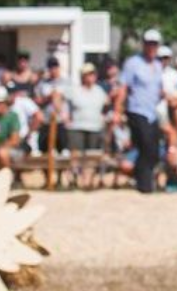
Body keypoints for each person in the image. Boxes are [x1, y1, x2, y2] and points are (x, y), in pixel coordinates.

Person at [114, 29, 164, 193]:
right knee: (146, 147)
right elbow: (123, 88)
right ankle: (144, 185)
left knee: (154, 151)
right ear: (143, 44)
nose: (152, 47)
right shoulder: (133, 63)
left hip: (152, 112)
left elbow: (157, 89)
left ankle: (143, 180)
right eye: (149, 43)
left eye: (154, 44)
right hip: (136, 111)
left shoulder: (157, 65)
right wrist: (117, 111)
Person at [63, 62, 109, 189]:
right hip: (76, 126)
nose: (90, 77)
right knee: (76, 155)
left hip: (95, 127)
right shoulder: (74, 90)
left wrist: (104, 118)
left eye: (92, 74)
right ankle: (75, 180)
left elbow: (106, 106)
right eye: (87, 74)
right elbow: (63, 102)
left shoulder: (99, 91)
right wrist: (65, 117)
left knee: (91, 156)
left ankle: (87, 181)